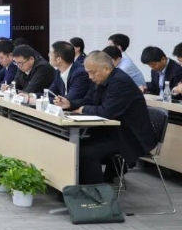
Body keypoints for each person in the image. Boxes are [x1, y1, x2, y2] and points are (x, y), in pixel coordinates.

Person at [55, 52, 156, 184]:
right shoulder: (100, 80)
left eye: (92, 72)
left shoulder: (120, 82)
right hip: (111, 130)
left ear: (106, 69)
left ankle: (96, 191)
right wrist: (69, 104)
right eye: (88, 73)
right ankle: (76, 185)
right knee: (73, 144)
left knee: (86, 152)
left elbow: (106, 112)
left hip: (129, 136)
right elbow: (88, 100)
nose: (90, 77)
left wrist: (82, 109)